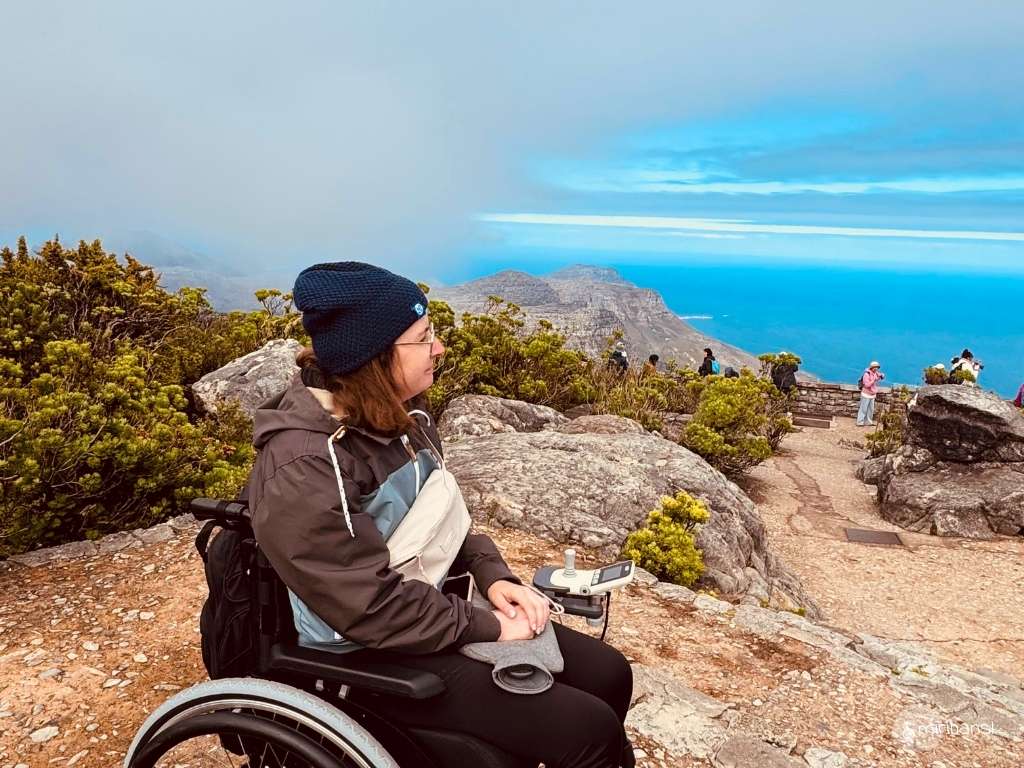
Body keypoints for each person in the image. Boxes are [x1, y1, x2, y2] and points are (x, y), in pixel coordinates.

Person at [246, 262, 634, 768]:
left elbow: (438, 512)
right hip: (364, 648)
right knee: (588, 731)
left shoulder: (398, 414)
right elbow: (366, 607)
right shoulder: (306, 465)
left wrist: (493, 575)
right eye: (424, 336)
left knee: (610, 673)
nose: (440, 347)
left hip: (423, 609)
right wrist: (488, 626)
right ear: (375, 358)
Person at [857, 361, 885, 426]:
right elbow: (867, 385)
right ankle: (860, 422)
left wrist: (881, 376)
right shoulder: (866, 374)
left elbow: (878, 378)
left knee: (870, 409)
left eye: (877, 367)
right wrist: (873, 380)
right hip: (866, 394)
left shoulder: (875, 373)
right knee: (863, 409)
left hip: (872, 394)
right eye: (875, 367)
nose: (876, 369)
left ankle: (868, 422)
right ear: (872, 367)